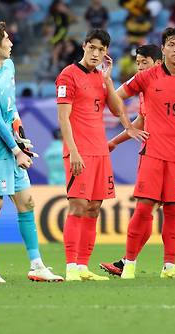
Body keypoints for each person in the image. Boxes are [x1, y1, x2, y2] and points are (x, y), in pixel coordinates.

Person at [100, 44, 175, 278]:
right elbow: (140, 121)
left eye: (143, 63)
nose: (139, 68)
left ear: (158, 63)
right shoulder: (146, 88)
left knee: (168, 209)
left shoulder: (170, 83)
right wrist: (117, 140)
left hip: (173, 155)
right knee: (168, 209)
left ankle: (133, 262)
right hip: (157, 153)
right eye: (137, 63)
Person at [0, 21, 64, 283]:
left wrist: (22, 139)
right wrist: (16, 150)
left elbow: (11, 110)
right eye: (7, 39)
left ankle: (36, 266)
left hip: (12, 146)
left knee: (27, 203)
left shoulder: (9, 66)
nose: (12, 42)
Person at [56, 29, 145, 282]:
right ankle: (71, 267)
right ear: (84, 46)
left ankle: (83, 267)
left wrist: (107, 80)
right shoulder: (67, 75)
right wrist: (72, 151)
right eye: (92, 48)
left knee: (94, 208)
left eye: (101, 50)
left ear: (106, 52)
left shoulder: (100, 77)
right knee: (78, 206)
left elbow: (118, 110)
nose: (96, 53)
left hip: (100, 151)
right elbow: (63, 118)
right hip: (79, 151)